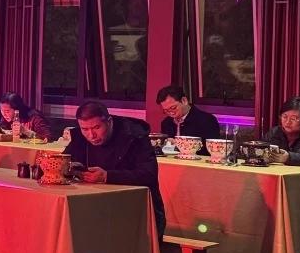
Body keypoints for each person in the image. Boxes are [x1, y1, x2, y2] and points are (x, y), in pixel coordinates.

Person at [66, 101, 165, 237]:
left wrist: (107, 176)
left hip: (134, 213)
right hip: (94, 212)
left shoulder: (135, 136)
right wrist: (71, 170)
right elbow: (65, 161)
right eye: (85, 129)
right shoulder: (80, 138)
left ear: (109, 121)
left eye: (96, 127)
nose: (91, 135)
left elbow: (149, 175)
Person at [156, 85, 221, 141]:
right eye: (166, 111)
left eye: (173, 108)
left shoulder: (207, 120)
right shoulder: (166, 123)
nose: (171, 113)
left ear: (184, 101)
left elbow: (213, 148)